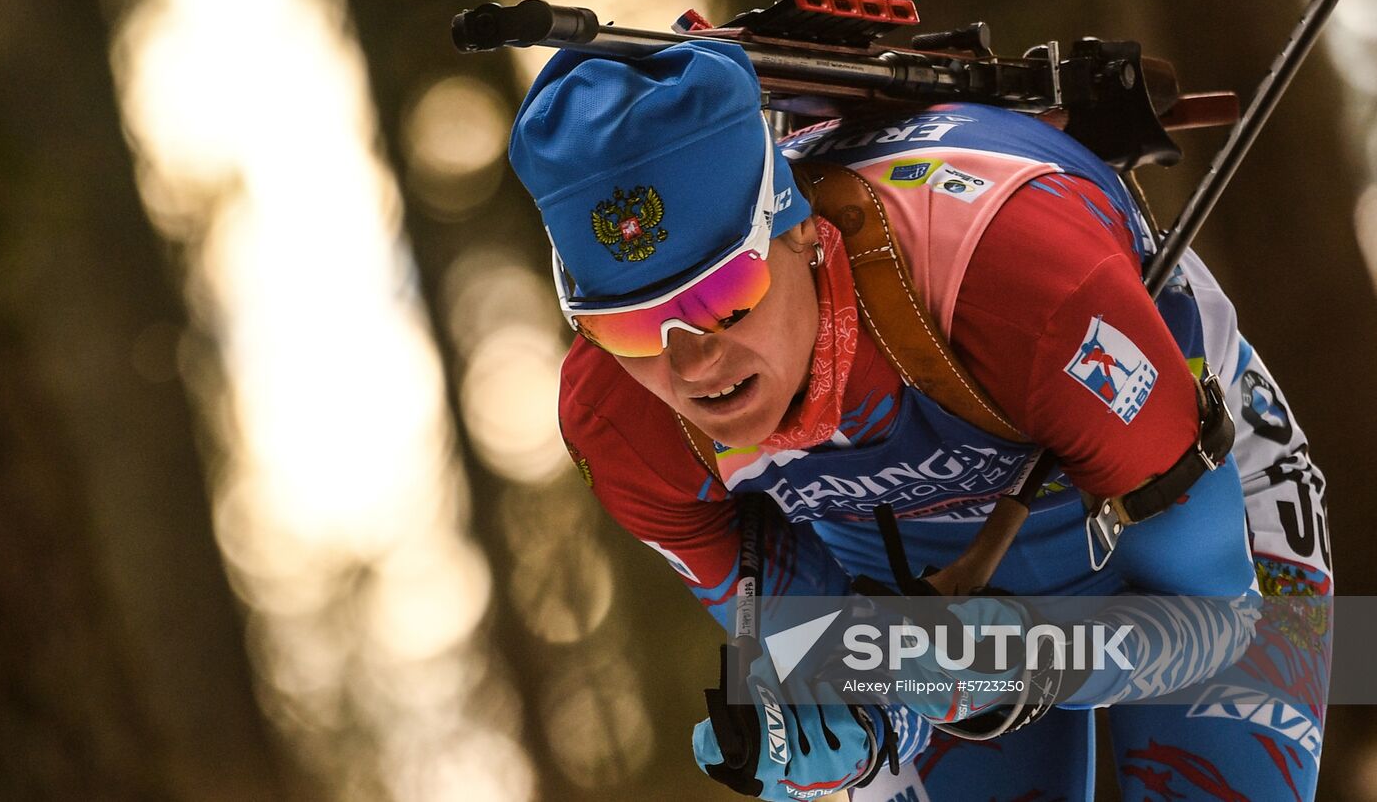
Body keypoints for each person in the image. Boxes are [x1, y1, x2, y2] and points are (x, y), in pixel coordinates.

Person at [507, 39, 1332, 801]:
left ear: (800, 233)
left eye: (723, 299)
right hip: (926, 601)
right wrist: (857, 717)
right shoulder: (623, 423)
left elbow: (1215, 621)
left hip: (1193, 533)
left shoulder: (1024, 289)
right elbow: (842, 663)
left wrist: (995, 658)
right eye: (629, 327)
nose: (691, 366)